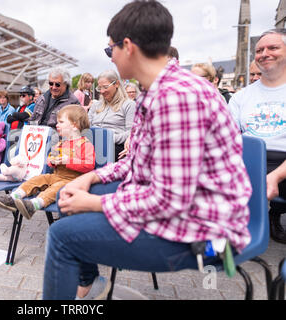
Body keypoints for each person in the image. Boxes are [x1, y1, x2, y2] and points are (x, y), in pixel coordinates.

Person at [43, 0, 252, 300]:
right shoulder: (158, 90)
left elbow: (170, 200)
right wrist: (91, 179)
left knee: (62, 236)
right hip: (183, 206)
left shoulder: (176, 98)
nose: (110, 58)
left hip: (205, 231)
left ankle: (84, 281)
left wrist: (94, 204)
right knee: (71, 202)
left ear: (127, 46)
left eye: (109, 50)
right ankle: (90, 283)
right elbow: (138, 163)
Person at [229, 28, 286, 244]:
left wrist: (276, 176)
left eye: (272, 48)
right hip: (250, 160)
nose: (264, 53)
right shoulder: (241, 97)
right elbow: (227, 139)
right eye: (259, 50)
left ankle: (272, 216)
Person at [0, 105, 95, 220]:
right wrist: (52, 161)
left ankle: (34, 205)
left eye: (61, 122)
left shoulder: (85, 144)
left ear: (74, 125)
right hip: (56, 176)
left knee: (56, 188)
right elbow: (51, 160)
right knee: (37, 179)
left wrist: (68, 161)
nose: (57, 125)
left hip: (74, 181)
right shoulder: (60, 144)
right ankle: (13, 198)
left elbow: (89, 165)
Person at [88, 70, 136, 162]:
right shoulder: (96, 105)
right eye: (99, 88)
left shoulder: (129, 105)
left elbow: (131, 132)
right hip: (93, 144)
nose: (101, 91)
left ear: (116, 84)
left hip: (114, 146)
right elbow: (87, 126)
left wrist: (107, 138)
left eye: (105, 87)